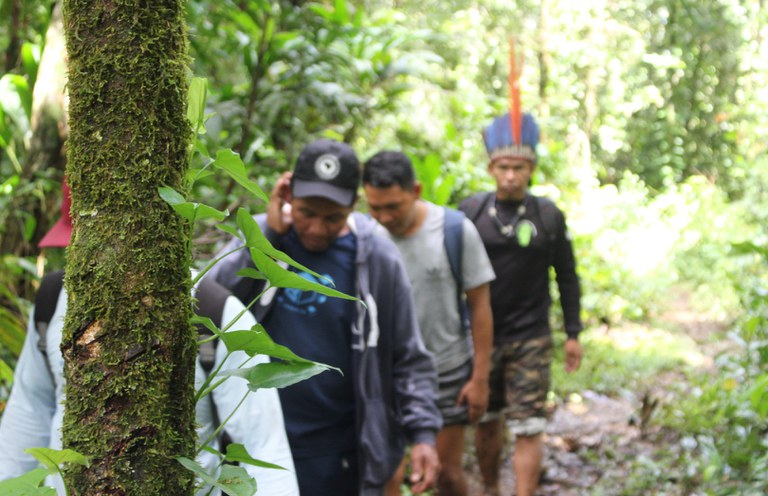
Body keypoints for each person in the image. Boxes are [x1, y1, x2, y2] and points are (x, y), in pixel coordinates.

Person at [0, 181, 300, 496]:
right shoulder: (52, 301)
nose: (92, 265)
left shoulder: (216, 313)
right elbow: (29, 412)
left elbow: (263, 450)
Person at [206, 139, 442, 495]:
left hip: (339, 449)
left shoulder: (377, 258)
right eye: (306, 213)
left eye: (333, 217)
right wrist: (266, 239)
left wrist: (422, 434)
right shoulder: (257, 238)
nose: (317, 228)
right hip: (254, 444)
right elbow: (209, 304)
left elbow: (407, 354)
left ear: (354, 205)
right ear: (287, 195)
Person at [458, 112, 583, 496]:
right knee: (487, 420)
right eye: (503, 167)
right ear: (491, 168)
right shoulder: (471, 212)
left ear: (531, 169)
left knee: (529, 424)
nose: (511, 175)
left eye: (519, 167)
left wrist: (573, 333)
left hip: (532, 336)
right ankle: (492, 487)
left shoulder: (547, 215)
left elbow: (566, 275)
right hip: (482, 338)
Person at [361, 150, 494, 496]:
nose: (384, 217)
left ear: (416, 191)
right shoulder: (365, 237)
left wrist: (480, 378)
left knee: (447, 475)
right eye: (375, 207)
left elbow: (480, 306)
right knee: (388, 473)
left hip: (446, 370)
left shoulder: (453, 230)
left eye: (393, 206)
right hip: (385, 373)